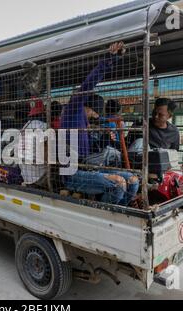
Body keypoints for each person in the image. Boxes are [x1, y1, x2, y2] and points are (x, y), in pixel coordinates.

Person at [60, 42, 139, 206]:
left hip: (88, 167)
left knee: (133, 180)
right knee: (118, 183)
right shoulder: (73, 109)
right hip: (72, 172)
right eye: (96, 110)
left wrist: (105, 136)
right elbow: (88, 85)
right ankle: (105, 216)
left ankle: (120, 211)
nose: (98, 114)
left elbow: (92, 148)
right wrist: (109, 59)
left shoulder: (86, 121)